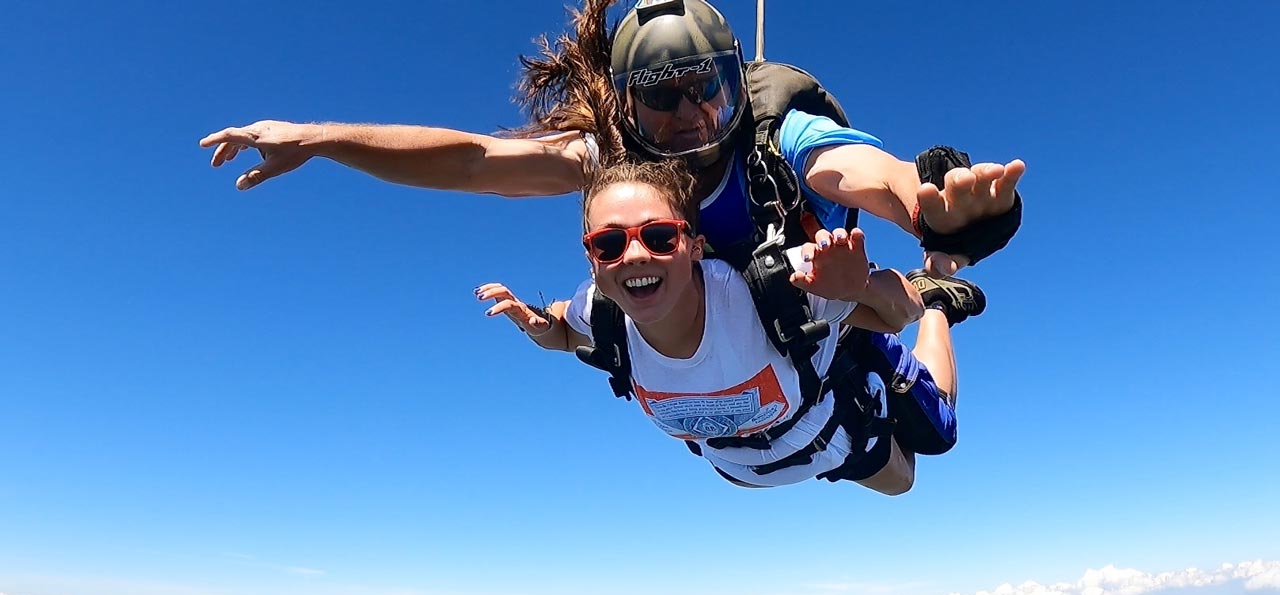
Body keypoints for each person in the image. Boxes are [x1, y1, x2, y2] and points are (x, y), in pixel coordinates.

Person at [200, 0, 1023, 309]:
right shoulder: (614, 160)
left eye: (710, 89)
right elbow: (470, 162)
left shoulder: (781, 137)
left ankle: (934, 277)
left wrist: (927, 205)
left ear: (738, 86)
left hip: (817, 297)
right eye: (662, 95)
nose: (693, 113)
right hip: (731, 314)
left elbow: (856, 173)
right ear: (628, 104)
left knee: (901, 454)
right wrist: (317, 138)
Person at [477, 156, 981, 493]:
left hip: (836, 424)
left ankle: (945, 303)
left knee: (930, 447)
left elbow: (901, 309)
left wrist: (862, 289)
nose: (632, 255)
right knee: (902, 480)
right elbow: (566, 330)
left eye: (658, 236)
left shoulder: (772, 286)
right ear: (591, 260)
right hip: (752, 463)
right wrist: (535, 325)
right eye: (607, 244)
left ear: (695, 245)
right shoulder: (602, 309)